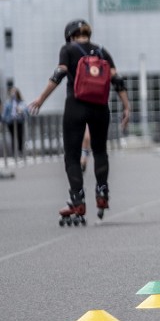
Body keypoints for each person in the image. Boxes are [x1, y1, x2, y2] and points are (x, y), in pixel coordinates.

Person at [28, 19, 131, 225]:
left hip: (76, 106)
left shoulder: (68, 49)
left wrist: (40, 99)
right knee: (100, 151)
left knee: (72, 156)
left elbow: (59, 74)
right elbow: (117, 80)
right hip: (100, 108)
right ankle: (102, 193)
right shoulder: (102, 51)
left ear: (70, 36)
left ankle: (78, 200)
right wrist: (127, 107)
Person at [2, 86, 27, 155]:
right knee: (13, 136)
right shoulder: (8, 103)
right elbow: (5, 113)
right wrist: (4, 120)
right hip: (10, 122)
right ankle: (14, 152)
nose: (13, 94)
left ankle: (20, 150)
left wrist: (21, 110)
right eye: (12, 92)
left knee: (20, 136)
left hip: (19, 121)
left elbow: (26, 111)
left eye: (15, 92)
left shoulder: (21, 102)